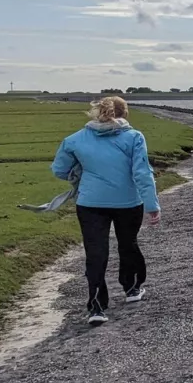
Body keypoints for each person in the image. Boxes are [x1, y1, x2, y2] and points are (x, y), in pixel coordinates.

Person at [51, 95, 161, 326]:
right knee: (128, 244)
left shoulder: (75, 139)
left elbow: (59, 170)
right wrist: (152, 205)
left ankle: (97, 307)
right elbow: (142, 173)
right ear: (125, 113)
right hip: (128, 202)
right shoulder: (134, 137)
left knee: (96, 253)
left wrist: (80, 173)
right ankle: (131, 289)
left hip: (90, 203)